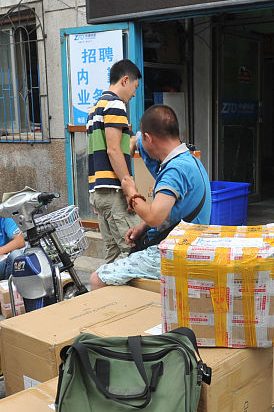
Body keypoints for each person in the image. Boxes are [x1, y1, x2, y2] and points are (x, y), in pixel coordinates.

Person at [90, 104, 211, 289]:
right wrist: (142, 227)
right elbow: (171, 212)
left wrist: (130, 190)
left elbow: (155, 217)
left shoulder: (174, 171)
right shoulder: (189, 160)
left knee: (97, 279)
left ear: (149, 137)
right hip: (190, 243)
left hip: (173, 252)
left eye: (142, 139)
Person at [87, 59, 143, 263]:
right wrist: (129, 187)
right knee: (133, 248)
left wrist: (136, 141)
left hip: (99, 191)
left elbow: (113, 148)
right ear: (125, 80)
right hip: (113, 190)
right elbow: (113, 150)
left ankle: (107, 294)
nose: (134, 94)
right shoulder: (115, 104)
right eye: (135, 87)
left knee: (112, 254)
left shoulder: (96, 107)